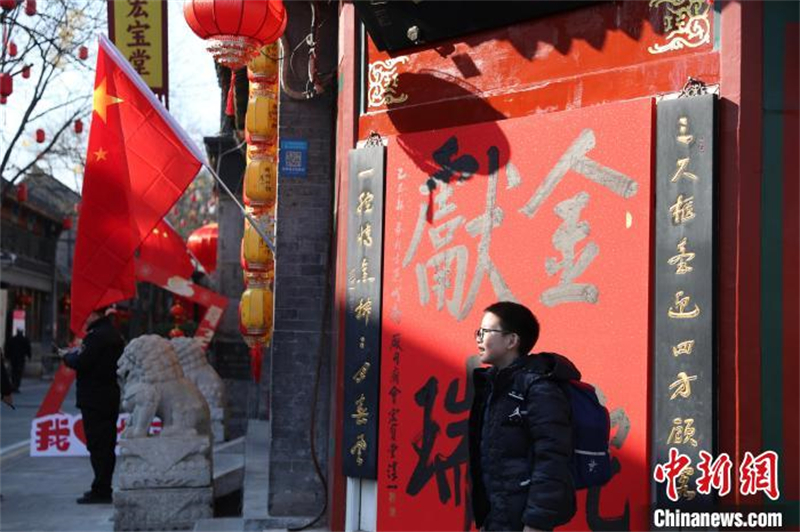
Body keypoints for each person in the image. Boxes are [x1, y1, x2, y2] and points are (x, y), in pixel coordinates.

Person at [469, 301, 578, 532]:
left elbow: (552, 457)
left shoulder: (539, 388)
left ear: (511, 341)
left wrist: (536, 522)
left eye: (486, 332)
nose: (479, 338)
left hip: (524, 521)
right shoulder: (494, 386)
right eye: (478, 332)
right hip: (497, 517)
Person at [63, 307, 125, 504]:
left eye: (87, 314)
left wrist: (67, 357)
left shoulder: (96, 336)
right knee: (106, 443)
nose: (85, 319)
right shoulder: (113, 334)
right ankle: (103, 486)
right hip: (109, 394)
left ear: (95, 314)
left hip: (95, 397)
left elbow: (82, 361)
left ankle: (101, 489)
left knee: (98, 444)